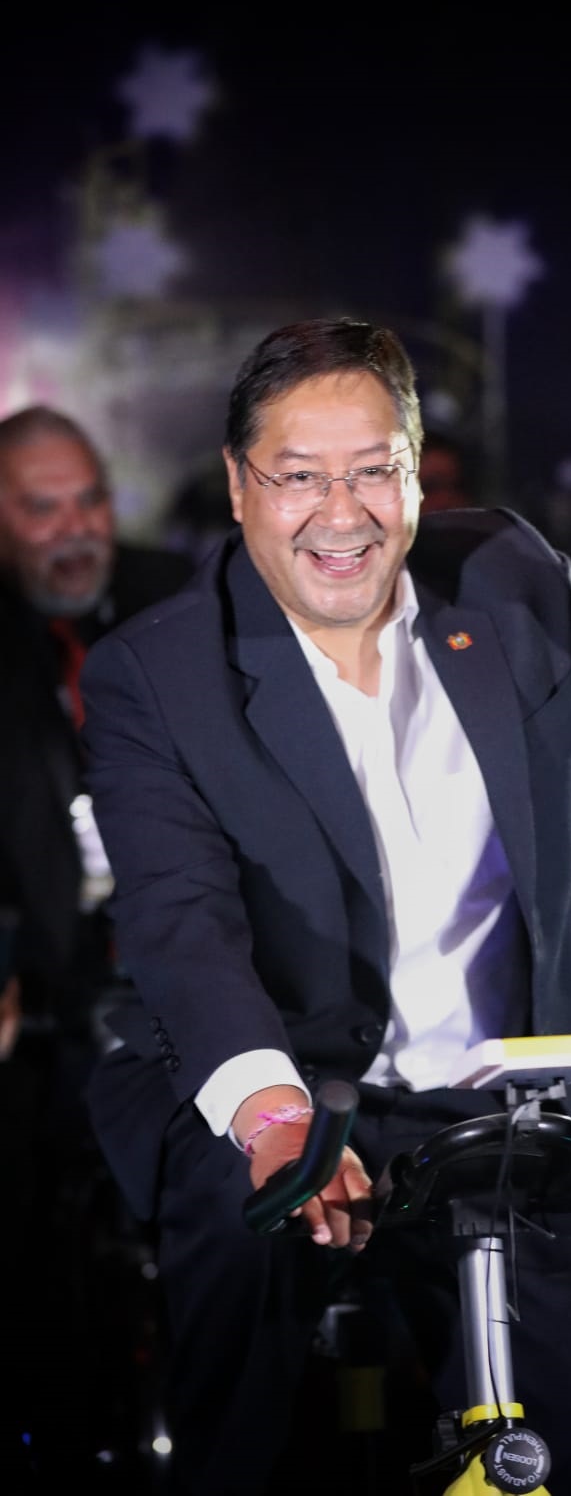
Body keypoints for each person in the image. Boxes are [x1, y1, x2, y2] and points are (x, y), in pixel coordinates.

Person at [78, 315, 571, 1496]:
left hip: (497, 1094)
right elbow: (180, 920)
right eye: (299, 476)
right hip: (282, 1087)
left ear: (416, 474)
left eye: (374, 469)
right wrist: (272, 1120)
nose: (342, 513)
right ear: (239, 485)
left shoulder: (501, 571)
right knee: (249, 1435)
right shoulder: (157, 673)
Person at [0, 404, 193, 1475]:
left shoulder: (178, 596)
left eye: (90, 502)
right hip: (39, 981)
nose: (75, 529)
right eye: (43, 509)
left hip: (183, 966)